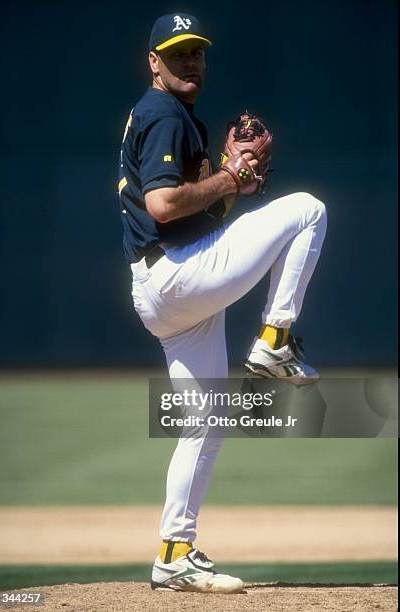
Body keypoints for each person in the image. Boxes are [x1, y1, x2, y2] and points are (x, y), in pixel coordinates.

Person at [117, 12, 327, 593]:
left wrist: (236, 187)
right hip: (177, 278)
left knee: (205, 423)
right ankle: (276, 339)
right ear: (153, 62)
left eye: (197, 53)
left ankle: (173, 552)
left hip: (166, 287)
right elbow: (162, 207)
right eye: (177, 53)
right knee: (309, 208)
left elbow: (195, 218)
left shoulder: (171, 115)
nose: (191, 62)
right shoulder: (161, 112)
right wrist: (231, 177)